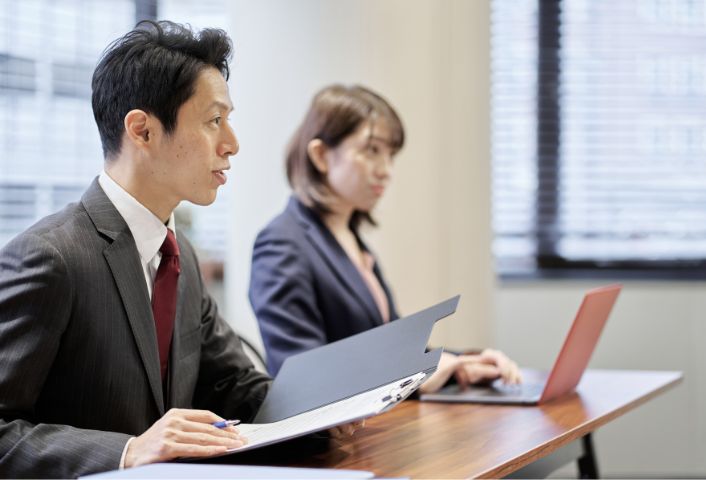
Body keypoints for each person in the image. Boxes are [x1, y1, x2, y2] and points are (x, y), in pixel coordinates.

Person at [0, 21, 269, 477]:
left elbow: (235, 385)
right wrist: (126, 452)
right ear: (142, 131)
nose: (233, 144)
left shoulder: (177, 249)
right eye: (214, 121)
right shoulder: (50, 256)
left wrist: (340, 404)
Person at [250, 85, 522, 393]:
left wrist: (467, 362)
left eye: (390, 154)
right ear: (321, 155)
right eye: (372, 151)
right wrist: (414, 375)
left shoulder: (349, 238)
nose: (386, 170)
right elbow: (300, 373)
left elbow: (392, 345)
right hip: (335, 437)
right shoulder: (281, 243)